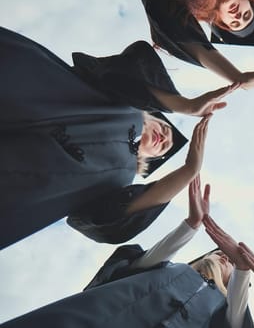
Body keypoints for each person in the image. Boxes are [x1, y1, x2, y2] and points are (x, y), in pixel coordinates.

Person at [0, 27, 237, 249]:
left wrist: (189, 169)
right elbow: (126, 69)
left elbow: (109, 224)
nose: (165, 138)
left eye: (164, 147)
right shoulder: (123, 103)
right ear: (151, 113)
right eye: (165, 128)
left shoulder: (118, 181)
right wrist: (183, 104)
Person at [0, 175, 254, 328]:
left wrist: (243, 270)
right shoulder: (167, 270)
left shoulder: (223, 311)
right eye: (220, 253)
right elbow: (151, 259)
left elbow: (237, 317)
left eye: (229, 262)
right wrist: (191, 225)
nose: (224, 256)